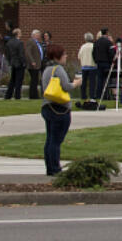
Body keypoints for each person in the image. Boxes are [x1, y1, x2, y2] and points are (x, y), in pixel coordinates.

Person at [39, 43, 81, 176]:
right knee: (56, 140)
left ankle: (50, 167)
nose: (66, 57)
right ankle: (55, 168)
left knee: (50, 139)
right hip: (59, 108)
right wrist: (76, 83)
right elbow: (66, 86)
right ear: (58, 56)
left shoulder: (46, 70)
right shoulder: (58, 69)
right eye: (64, 54)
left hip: (47, 106)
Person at [92, 28, 114, 100]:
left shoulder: (96, 42)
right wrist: (112, 61)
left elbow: (93, 53)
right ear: (107, 33)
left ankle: (99, 95)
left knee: (99, 79)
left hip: (99, 63)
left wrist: (96, 60)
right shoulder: (108, 42)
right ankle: (106, 95)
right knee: (107, 79)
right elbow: (111, 53)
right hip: (107, 63)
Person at [3, 28, 25, 99]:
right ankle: (17, 95)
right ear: (18, 34)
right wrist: (24, 62)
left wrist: (10, 61)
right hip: (19, 63)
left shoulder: (9, 42)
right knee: (19, 80)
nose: (21, 34)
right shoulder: (20, 43)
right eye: (20, 33)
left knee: (12, 80)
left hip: (13, 63)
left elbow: (7, 54)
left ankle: (8, 95)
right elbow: (21, 54)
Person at [25, 29, 44, 99]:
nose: (39, 36)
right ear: (34, 35)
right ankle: (33, 95)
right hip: (33, 65)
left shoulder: (37, 42)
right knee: (34, 80)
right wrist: (32, 61)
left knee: (35, 80)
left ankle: (35, 94)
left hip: (38, 64)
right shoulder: (30, 41)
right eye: (38, 34)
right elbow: (28, 52)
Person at [77, 32, 96, 101]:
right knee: (92, 82)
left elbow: (79, 56)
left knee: (84, 82)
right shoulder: (93, 46)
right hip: (92, 66)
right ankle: (92, 96)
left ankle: (83, 95)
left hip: (84, 67)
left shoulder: (83, 46)